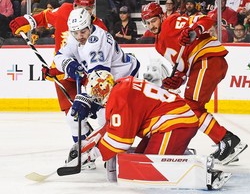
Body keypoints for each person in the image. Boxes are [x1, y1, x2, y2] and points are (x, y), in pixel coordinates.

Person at [69, 69, 231, 189]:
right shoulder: (122, 86)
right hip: (169, 123)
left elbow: (120, 142)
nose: (97, 100)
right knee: (140, 161)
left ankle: (205, 173)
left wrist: (93, 154)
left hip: (173, 124)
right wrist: (86, 144)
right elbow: (109, 128)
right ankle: (186, 157)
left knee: (151, 169)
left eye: (97, 94)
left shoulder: (119, 98)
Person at [141, 2, 248, 165]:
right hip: (200, 64)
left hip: (207, 58)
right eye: (147, 23)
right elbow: (182, 65)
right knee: (192, 107)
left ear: (162, 16)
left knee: (191, 107)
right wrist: (176, 79)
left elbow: (205, 19)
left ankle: (227, 140)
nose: (151, 25)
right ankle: (227, 143)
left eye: (154, 20)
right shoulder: (158, 45)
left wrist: (195, 30)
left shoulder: (171, 22)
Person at [9, 0, 108, 145]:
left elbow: (97, 64)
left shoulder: (99, 29)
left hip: (88, 75)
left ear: (93, 8)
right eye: (80, 7)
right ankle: (86, 151)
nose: (83, 12)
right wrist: (28, 21)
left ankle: (108, 147)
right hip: (63, 74)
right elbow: (45, 16)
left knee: (103, 113)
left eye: (88, 8)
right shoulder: (64, 11)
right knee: (73, 118)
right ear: (74, 4)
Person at [54, 8, 140, 144]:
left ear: (90, 26)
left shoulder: (96, 42)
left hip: (125, 79)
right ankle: (87, 153)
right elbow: (59, 57)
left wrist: (85, 102)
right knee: (74, 118)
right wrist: (68, 64)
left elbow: (101, 82)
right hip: (107, 80)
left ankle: (109, 154)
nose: (79, 36)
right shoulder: (76, 37)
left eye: (83, 32)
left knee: (104, 117)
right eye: (75, 33)